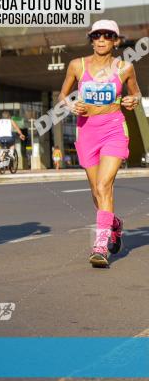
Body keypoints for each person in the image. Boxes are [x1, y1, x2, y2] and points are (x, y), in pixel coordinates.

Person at [56, 19, 141, 268]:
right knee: (96, 192)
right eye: (97, 36)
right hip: (87, 131)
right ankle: (114, 225)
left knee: (105, 185)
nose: (101, 40)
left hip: (114, 128)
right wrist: (71, 105)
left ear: (116, 41)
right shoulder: (77, 65)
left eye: (107, 36)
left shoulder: (125, 68)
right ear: (91, 39)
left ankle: (101, 247)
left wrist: (132, 100)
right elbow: (62, 95)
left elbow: (135, 93)